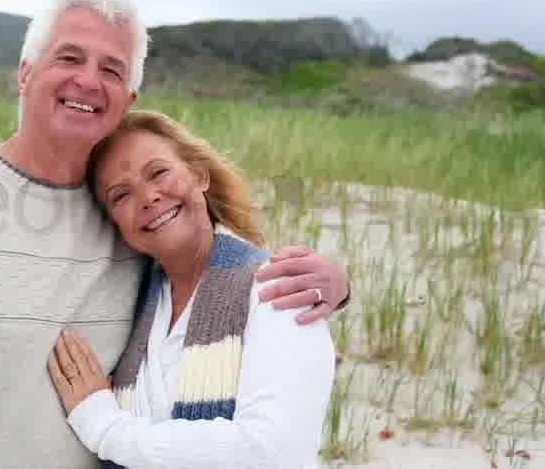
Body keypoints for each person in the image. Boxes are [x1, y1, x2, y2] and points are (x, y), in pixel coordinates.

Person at [0, 0, 348, 469]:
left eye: (112, 70)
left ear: (129, 98)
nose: (88, 81)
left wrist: (334, 285)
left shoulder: (129, 227)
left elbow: (215, 269)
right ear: (25, 73)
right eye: (69, 58)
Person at [48, 110, 335, 468]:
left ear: (200, 175)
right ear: (115, 223)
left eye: (159, 172)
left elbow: (272, 452)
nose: (148, 197)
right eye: (121, 195)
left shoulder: (278, 288)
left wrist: (105, 428)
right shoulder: (135, 303)